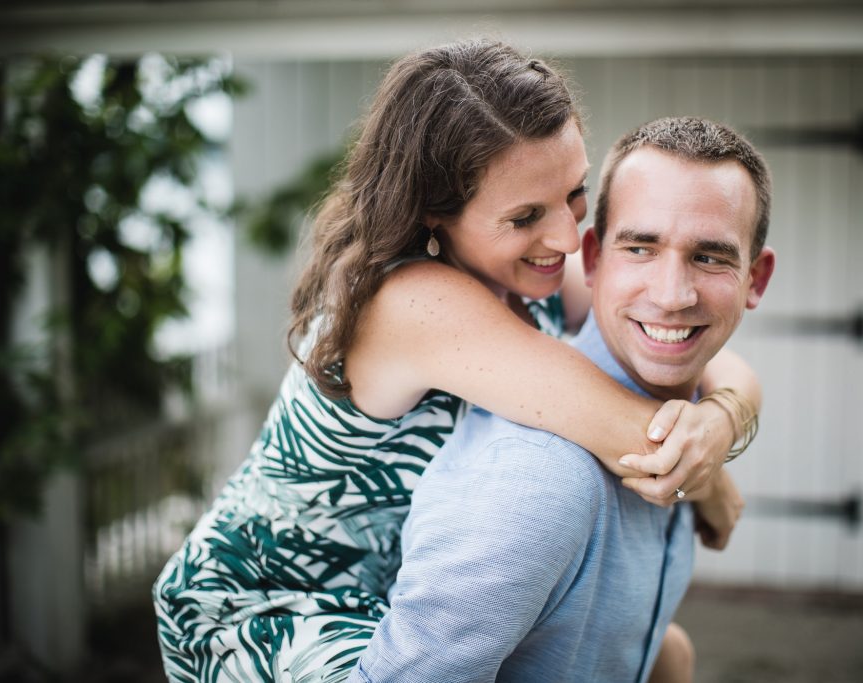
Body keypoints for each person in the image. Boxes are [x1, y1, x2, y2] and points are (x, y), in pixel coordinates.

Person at [153, 41, 759, 683]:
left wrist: (722, 420)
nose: (563, 237)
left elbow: (707, 351)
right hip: (273, 607)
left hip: (403, 590)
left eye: (573, 193)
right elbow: (641, 439)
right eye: (525, 215)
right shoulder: (410, 300)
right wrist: (712, 479)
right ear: (433, 214)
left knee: (667, 656)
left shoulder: (531, 270)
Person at [347, 115, 776, 683]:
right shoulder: (540, 476)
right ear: (597, 261)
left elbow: (722, 373)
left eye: (711, 256)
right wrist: (707, 469)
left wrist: (722, 421)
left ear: (756, 279)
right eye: (641, 247)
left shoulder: (552, 298)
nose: (672, 296)